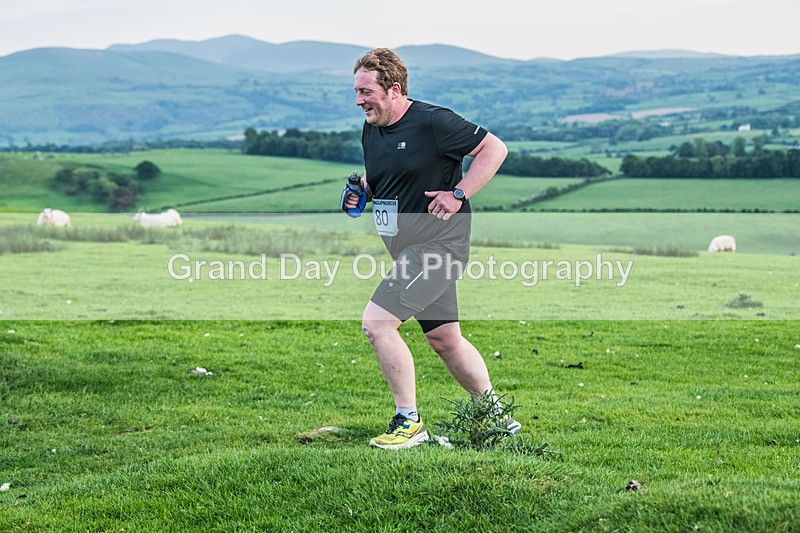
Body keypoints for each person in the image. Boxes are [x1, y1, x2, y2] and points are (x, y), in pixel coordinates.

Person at [345, 48, 518, 449]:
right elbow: (386, 174)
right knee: (445, 338)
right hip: (409, 249)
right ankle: (496, 418)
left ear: (394, 89)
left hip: (438, 247)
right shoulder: (373, 126)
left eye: (366, 91)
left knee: (378, 323)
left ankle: (409, 423)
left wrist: (458, 193)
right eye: (355, 92)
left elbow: (495, 149)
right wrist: (362, 192)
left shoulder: (434, 121)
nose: (358, 101)